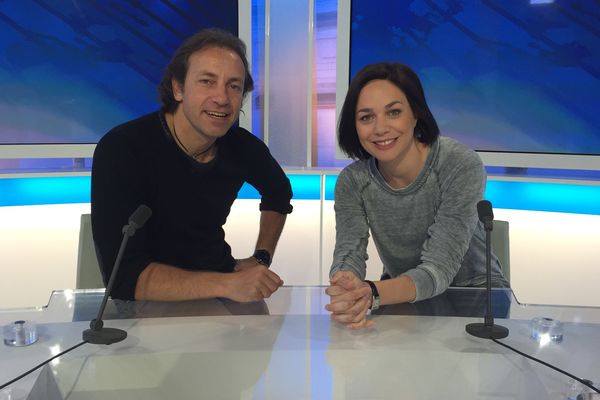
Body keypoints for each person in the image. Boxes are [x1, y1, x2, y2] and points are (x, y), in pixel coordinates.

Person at [91, 28, 293, 302]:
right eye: (207, 82)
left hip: (220, 293)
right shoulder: (122, 149)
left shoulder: (243, 147)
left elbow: (279, 193)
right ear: (178, 88)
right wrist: (228, 285)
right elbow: (124, 279)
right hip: (144, 307)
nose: (222, 98)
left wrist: (261, 256)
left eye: (234, 86)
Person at [325, 62, 509, 329]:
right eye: (366, 117)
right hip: (404, 294)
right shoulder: (352, 181)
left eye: (394, 112)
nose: (380, 128)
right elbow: (349, 251)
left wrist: (371, 293)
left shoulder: (458, 163)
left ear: (415, 114)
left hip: (477, 296)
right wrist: (346, 284)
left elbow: (439, 269)